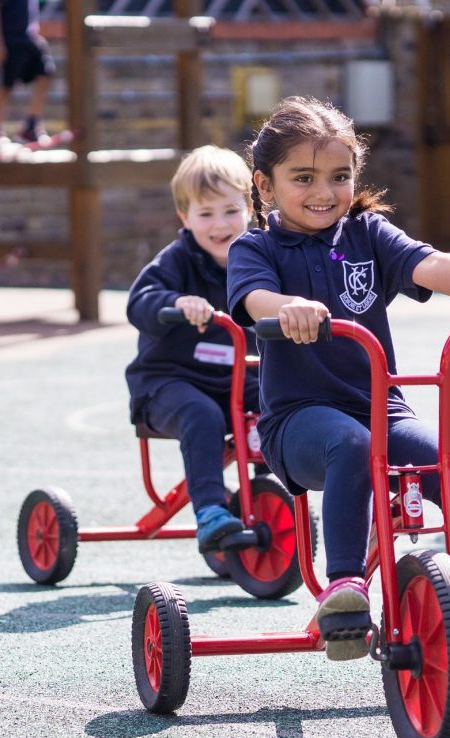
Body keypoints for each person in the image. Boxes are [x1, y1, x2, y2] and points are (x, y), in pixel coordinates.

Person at [226, 95, 450, 684]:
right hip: (298, 422)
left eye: (339, 176)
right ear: (265, 186)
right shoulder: (257, 248)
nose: (324, 191)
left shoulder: (367, 235)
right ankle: (345, 589)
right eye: (303, 178)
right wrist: (290, 307)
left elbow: (430, 263)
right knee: (351, 445)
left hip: (384, 410)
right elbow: (253, 300)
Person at [125, 145, 257, 554]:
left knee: (282, 399)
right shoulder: (177, 261)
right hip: (166, 384)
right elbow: (139, 301)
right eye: (205, 214)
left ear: (249, 208)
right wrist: (177, 303)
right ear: (184, 217)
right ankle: (212, 513)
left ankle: (274, 493)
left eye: (231, 211)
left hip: (234, 380)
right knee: (201, 413)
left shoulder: (258, 258)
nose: (220, 224)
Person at [0, 0, 55, 150]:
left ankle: (31, 126)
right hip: (10, 39)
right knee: (6, 85)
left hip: (30, 38)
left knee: (46, 73)